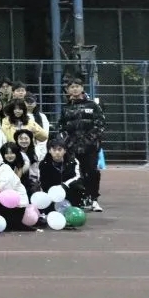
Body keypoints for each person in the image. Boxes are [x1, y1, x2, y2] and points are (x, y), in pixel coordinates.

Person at [58, 78, 105, 212]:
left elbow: (100, 125)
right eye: (71, 87)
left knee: (92, 172)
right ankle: (81, 199)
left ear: (82, 88)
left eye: (77, 86)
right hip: (72, 148)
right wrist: (68, 142)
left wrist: (89, 140)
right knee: (76, 173)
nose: (74, 89)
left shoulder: (93, 105)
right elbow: (61, 126)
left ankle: (94, 199)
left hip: (90, 147)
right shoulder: (65, 107)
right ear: (68, 90)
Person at [38, 136, 87, 207]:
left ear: (65, 151)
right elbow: (42, 182)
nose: (57, 152)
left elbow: (78, 177)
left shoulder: (73, 161)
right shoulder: (43, 164)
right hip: (52, 195)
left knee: (78, 186)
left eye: (60, 149)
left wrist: (63, 186)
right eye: (54, 150)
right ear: (49, 151)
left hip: (69, 191)